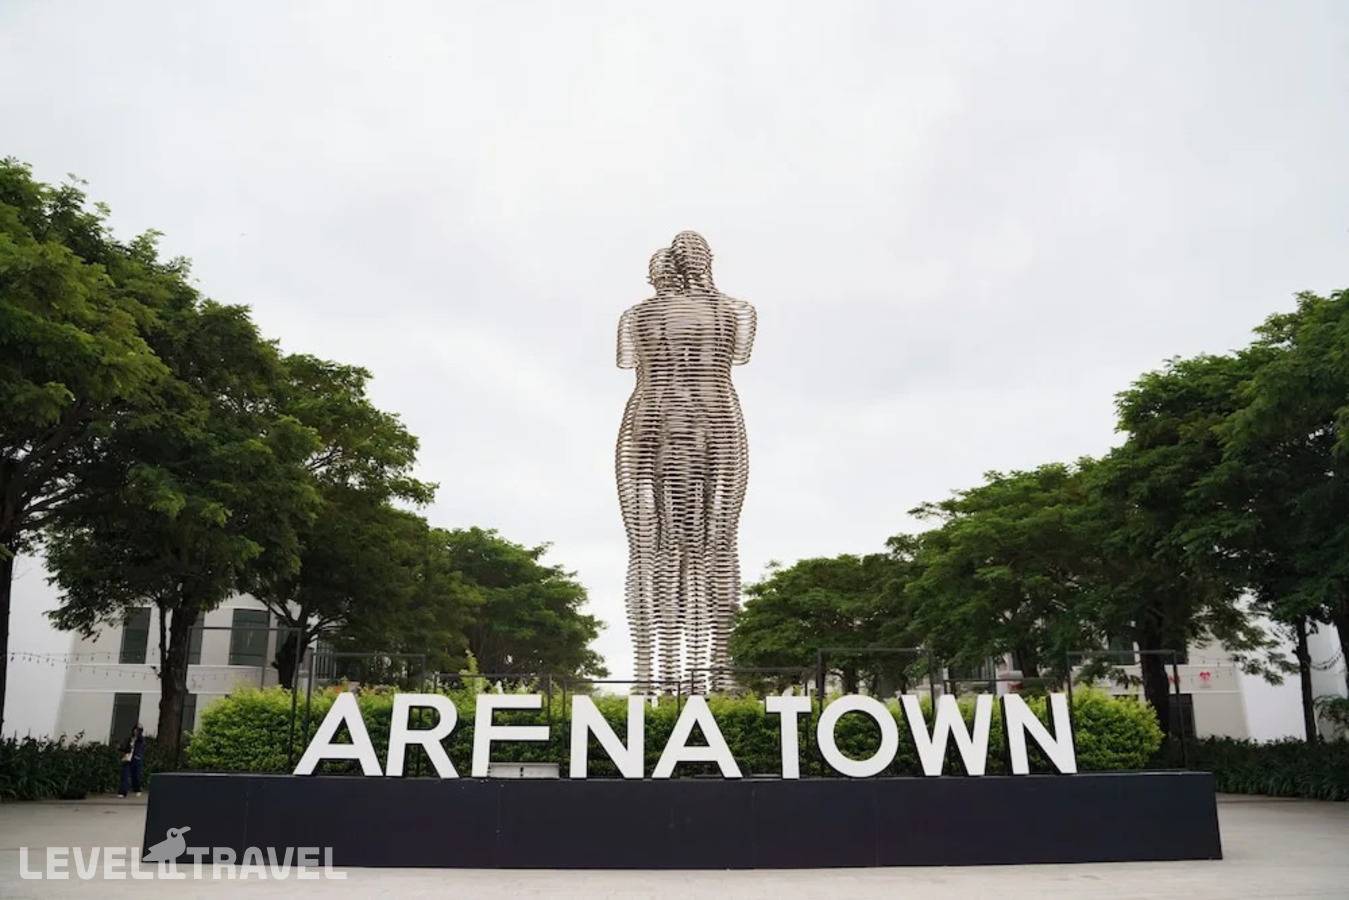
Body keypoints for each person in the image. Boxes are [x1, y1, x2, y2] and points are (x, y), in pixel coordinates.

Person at [118, 724, 145, 797]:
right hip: (127, 758)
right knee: (125, 775)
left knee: (135, 776)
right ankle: (122, 792)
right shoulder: (129, 739)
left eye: (138, 730)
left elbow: (141, 749)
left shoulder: (141, 740)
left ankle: (137, 789)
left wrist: (138, 756)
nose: (136, 731)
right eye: (135, 729)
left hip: (136, 759)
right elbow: (124, 747)